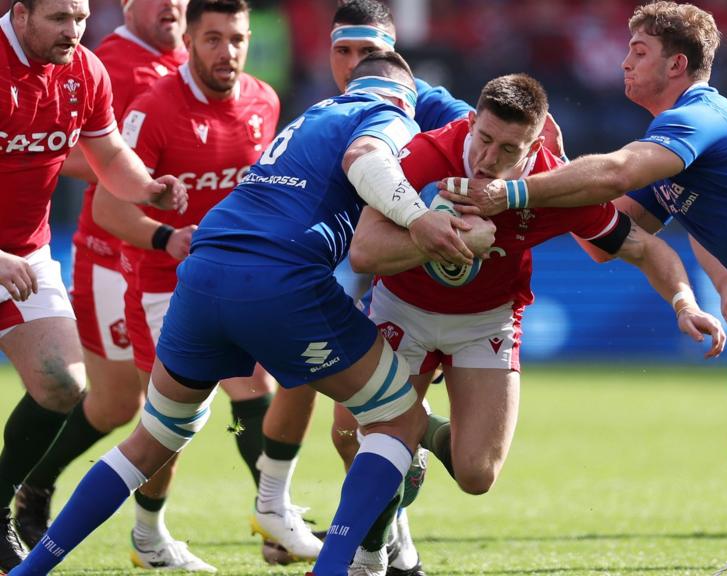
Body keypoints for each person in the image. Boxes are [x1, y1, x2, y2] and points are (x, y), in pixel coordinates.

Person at [443, 3, 727, 575]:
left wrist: (513, 193)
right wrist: (552, 168)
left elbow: (620, 172)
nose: (624, 61)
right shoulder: (668, 138)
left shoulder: (700, 117)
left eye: (639, 52)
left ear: (677, 65)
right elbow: (602, 236)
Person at [8, 50, 477, 576]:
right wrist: (420, 220)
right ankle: (339, 565)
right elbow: (367, 160)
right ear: (405, 95)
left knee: (152, 439)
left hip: (205, 270)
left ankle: (30, 571)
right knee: (397, 417)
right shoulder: (386, 112)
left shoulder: (315, 113)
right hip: (279, 279)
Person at [343, 71, 725, 576]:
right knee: (359, 437)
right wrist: (447, 239)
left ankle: (418, 431)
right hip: (402, 311)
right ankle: (373, 554)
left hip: (487, 322)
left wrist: (684, 301)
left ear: (536, 142)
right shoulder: (427, 153)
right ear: (471, 123)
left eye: (508, 149)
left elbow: (644, 248)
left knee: (477, 475)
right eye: (483, 139)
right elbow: (365, 252)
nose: (487, 159)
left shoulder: (552, 184)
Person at [250, 1, 474, 571]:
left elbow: (512, 130)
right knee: (332, 408)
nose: (353, 64)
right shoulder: (323, 107)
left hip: (416, 284)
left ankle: (380, 546)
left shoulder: (426, 102)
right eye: (342, 51)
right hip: (350, 274)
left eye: (367, 52)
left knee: (368, 428)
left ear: (394, 50)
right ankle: (290, 514)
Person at [10, 1, 222, 571]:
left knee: (68, 388)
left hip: (29, 252)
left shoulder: (85, 67)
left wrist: (148, 188)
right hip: (51, 255)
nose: (73, 32)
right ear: (21, 12)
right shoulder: (98, 61)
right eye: (58, 18)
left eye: (79, 17)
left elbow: (106, 153)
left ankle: (6, 502)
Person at [88, 0, 282, 569]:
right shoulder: (152, 110)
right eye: (214, 39)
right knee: (167, 428)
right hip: (161, 286)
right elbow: (105, 205)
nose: (228, 52)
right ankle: (148, 536)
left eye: (238, 39)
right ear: (190, 41)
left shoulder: (264, 102)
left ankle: (274, 514)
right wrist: (165, 236)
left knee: (256, 391)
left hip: (233, 280)